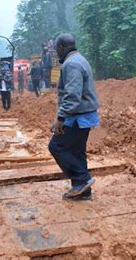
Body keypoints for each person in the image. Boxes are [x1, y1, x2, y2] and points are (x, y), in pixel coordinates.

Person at [48, 33, 100, 201]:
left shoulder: (71, 64)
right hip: (84, 115)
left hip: (77, 116)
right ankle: (83, 192)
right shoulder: (80, 59)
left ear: (61, 47)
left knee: (56, 146)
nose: (57, 53)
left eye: (57, 50)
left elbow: (73, 96)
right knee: (77, 151)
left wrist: (60, 118)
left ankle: (81, 180)